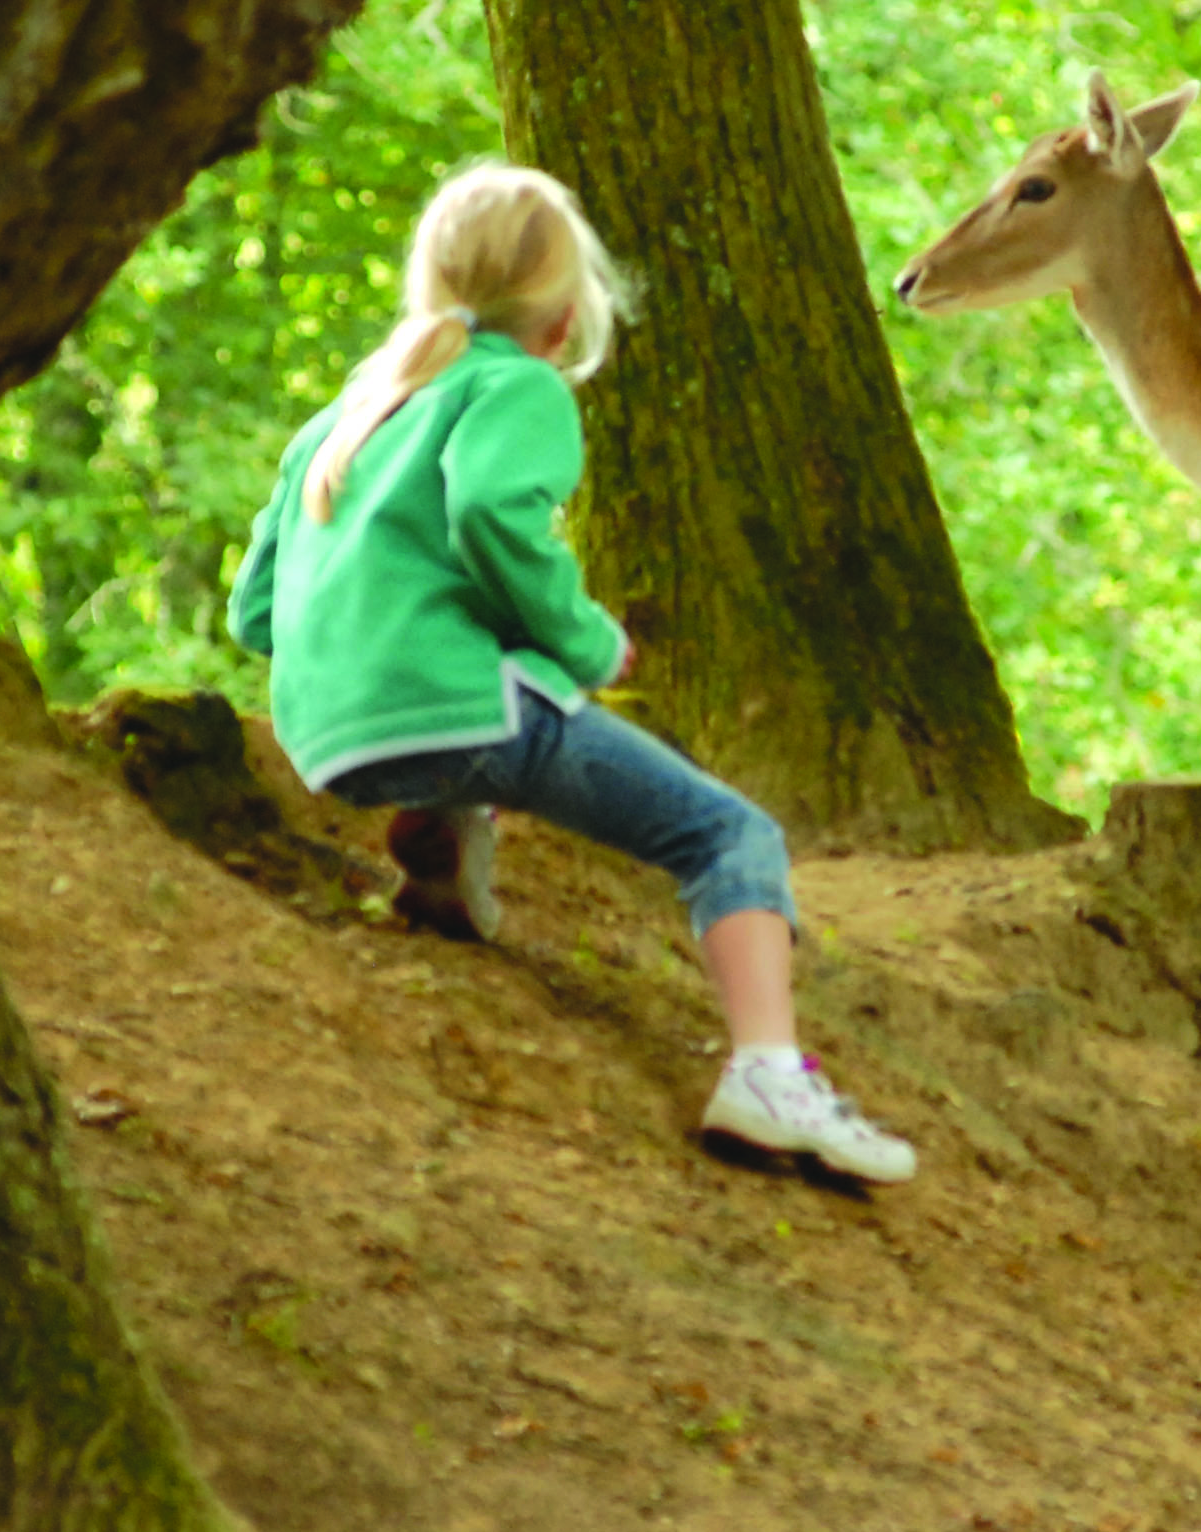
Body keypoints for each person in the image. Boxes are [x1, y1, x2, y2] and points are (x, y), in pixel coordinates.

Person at [225, 163, 917, 1186]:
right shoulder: (516, 387)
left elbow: (251, 612)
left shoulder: (345, 415)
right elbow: (490, 517)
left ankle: (440, 852)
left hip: (330, 734)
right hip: (452, 711)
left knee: (479, 726)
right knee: (728, 833)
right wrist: (585, 642)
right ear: (560, 317)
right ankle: (771, 1073)